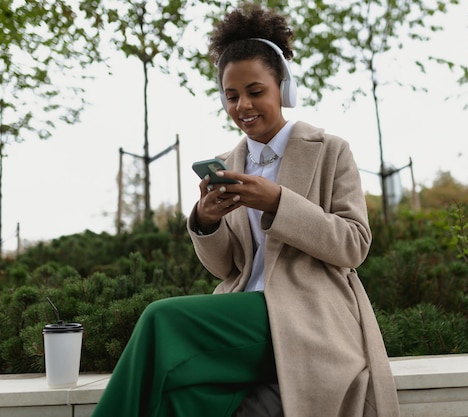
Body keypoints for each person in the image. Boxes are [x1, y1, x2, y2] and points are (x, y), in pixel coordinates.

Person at [91, 3, 400, 417]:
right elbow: (226, 269)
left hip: (307, 315)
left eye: (256, 92)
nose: (243, 107)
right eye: (232, 96)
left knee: (160, 319)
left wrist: (278, 203)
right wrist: (206, 221)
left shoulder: (330, 151)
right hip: (243, 311)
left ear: (283, 89)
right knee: (176, 402)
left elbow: (354, 245)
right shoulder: (228, 162)